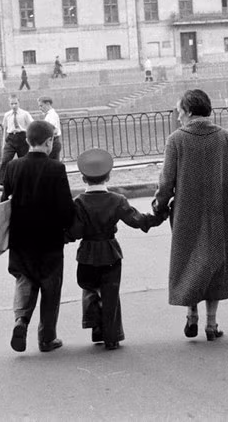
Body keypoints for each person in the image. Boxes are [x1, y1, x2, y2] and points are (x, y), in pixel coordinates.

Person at [152, 89, 228, 341]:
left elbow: (166, 182)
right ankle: (211, 325)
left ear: (188, 112)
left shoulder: (176, 140)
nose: (178, 117)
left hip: (187, 214)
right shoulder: (226, 138)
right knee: (215, 266)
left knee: (191, 263)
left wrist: (159, 205)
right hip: (220, 214)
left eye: (179, 112)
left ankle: (192, 316)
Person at [66, 149, 165, 350]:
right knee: (110, 294)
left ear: (83, 179)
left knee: (90, 288)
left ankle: (95, 327)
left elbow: (75, 232)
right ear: (109, 176)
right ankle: (112, 336)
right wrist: (160, 216)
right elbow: (137, 221)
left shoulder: (78, 202)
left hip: (87, 252)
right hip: (110, 252)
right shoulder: (116, 200)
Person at [2, 120, 75, 353]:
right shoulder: (56, 168)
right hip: (50, 239)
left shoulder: (13, 167)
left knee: (24, 280)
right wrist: (68, 229)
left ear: (27, 141)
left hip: (21, 238)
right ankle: (47, 338)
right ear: (49, 142)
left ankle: (21, 321)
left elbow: (5, 201)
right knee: (50, 287)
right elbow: (65, 207)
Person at [0, 95, 33, 189]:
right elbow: (5, 129)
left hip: (22, 138)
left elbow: (31, 126)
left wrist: (30, 140)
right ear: (9, 104)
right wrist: (3, 143)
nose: (14, 106)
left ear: (19, 102)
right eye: (11, 104)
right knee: (6, 160)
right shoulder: (7, 115)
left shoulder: (25, 114)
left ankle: (27, 182)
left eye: (15, 103)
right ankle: (4, 183)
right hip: (11, 138)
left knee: (25, 161)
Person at [38, 96, 62, 160]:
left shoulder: (52, 115)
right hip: (51, 142)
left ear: (48, 104)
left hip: (53, 142)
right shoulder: (49, 115)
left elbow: (53, 130)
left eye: (41, 106)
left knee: (51, 164)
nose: (40, 108)